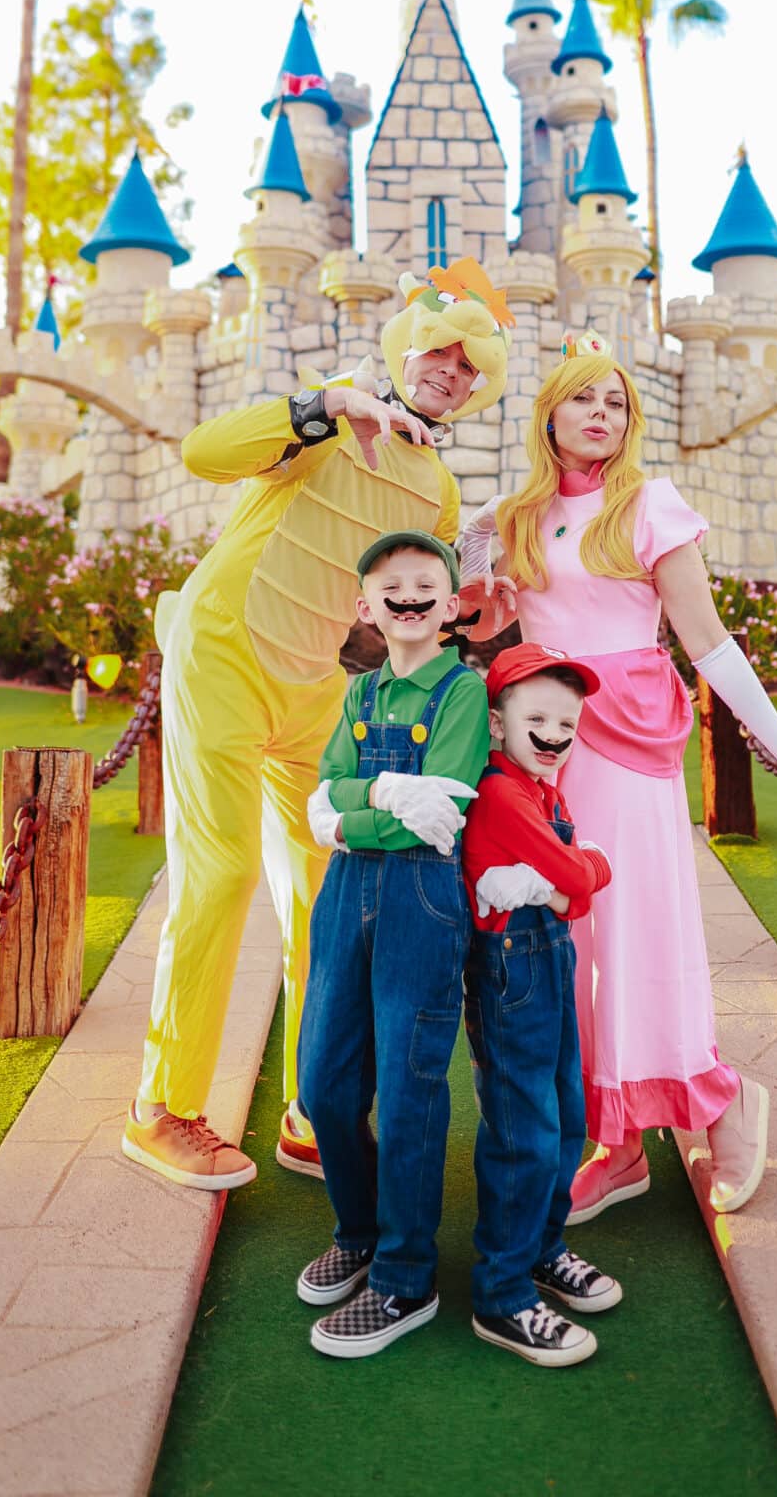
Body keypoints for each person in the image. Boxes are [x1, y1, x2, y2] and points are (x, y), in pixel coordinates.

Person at [459, 337, 777, 1224]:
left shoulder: (649, 504)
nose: (600, 414)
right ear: (550, 415)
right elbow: (478, 610)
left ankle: (720, 1106)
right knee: (567, 942)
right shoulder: (517, 515)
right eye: (584, 400)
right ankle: (616, 1145)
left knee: (634, 934)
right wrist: (469, 572)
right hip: (545, 742)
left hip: (628, 741)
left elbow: (708, 638)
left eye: (615, 402)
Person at [121, 261, 514, 1192]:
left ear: (478, 385)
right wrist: (321, 408)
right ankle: (163, 1108)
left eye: (468, 365)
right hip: (223, 647)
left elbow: (401, 608)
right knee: (220, 874)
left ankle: (314, 1105)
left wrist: (469, 606)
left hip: (314, 683)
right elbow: (204, 452)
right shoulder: (328, 423)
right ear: (404, 351)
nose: (448, 371)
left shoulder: (439, 492)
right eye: (437, 352)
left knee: (325, 893)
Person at [295, 531, 489, 1358]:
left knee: (410, 1092)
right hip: (345, 899)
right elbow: (324, 785)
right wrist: (377, 791)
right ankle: (360, 1228)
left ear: (450, 606)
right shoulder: (360, 692)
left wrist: (347, 818)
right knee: (324, 1082)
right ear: (364, 605)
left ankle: (405, 1278)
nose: (406, 596)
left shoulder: (462, 693)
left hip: (420, 899)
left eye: (424, 585)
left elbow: (443, 805)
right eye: (389, 586)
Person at [462, 642, 621, 1368]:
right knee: (523, 1126)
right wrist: (572, 877)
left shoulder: (544, 787)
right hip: (511, 966)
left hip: (550, 950)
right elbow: (577, 869)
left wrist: (570, 883)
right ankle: (500, 1288)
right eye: (538, 718)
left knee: (566, 1115)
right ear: (497, 725)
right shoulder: (502, 791)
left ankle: (541, 1247)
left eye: (568, 720)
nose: (556, 734)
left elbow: (579, 879)